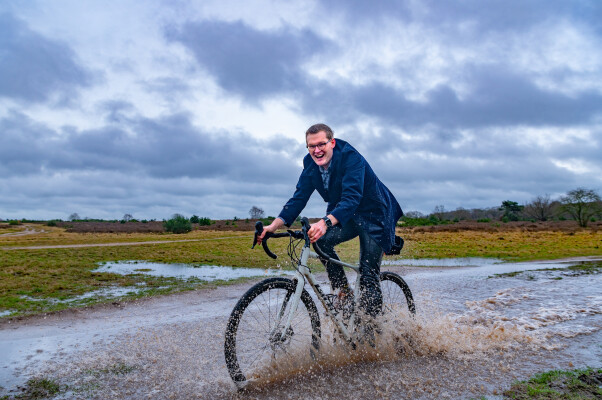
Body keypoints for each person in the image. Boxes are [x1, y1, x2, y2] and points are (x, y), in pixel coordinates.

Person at [258, 123, 403, 323]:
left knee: (368, 275)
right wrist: (273, 226)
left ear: (332, 143)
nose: (317, 150)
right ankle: (344, 292)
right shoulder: (310, 164)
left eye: (321, 144)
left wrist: (325, 221)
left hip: (374, 214)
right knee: (320, 240)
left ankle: (373, 333)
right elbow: (299, 197)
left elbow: (352, 198)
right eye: (311, 146)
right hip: (346, 214)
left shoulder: (351, 158)